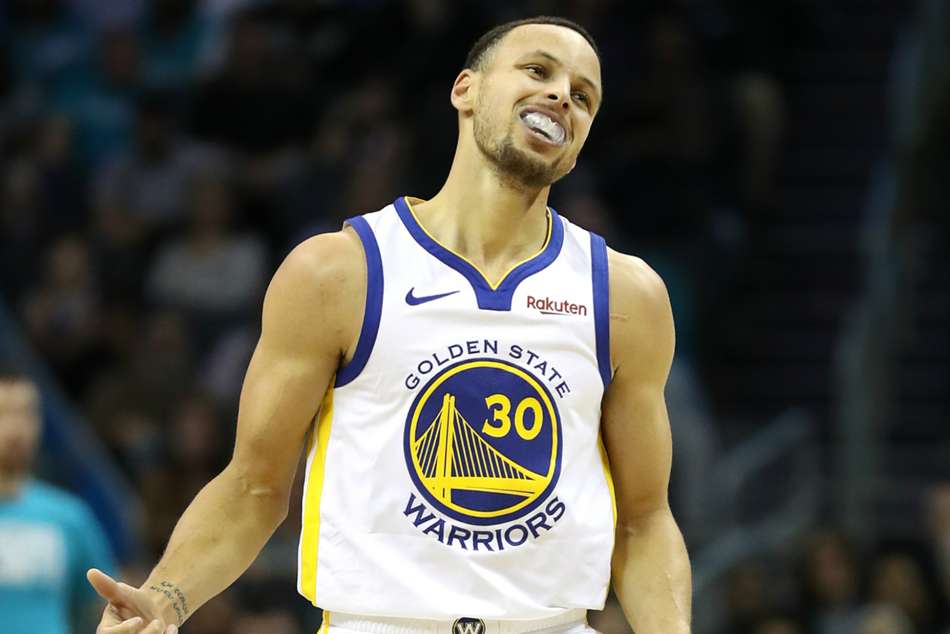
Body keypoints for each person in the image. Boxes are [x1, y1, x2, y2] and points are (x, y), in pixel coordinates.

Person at [88, 16, 692, 634]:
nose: (562, 95)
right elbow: (253, 489)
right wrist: (165, 599)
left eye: (583, 96)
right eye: (538, 70)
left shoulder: (626, 295)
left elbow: (645, 521)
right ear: (466, 89)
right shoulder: (338, 272)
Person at [0, 365, 117, 634]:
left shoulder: (69, 516)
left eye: (26, 413)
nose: (16, 428)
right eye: (3, 412)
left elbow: (105, 605)